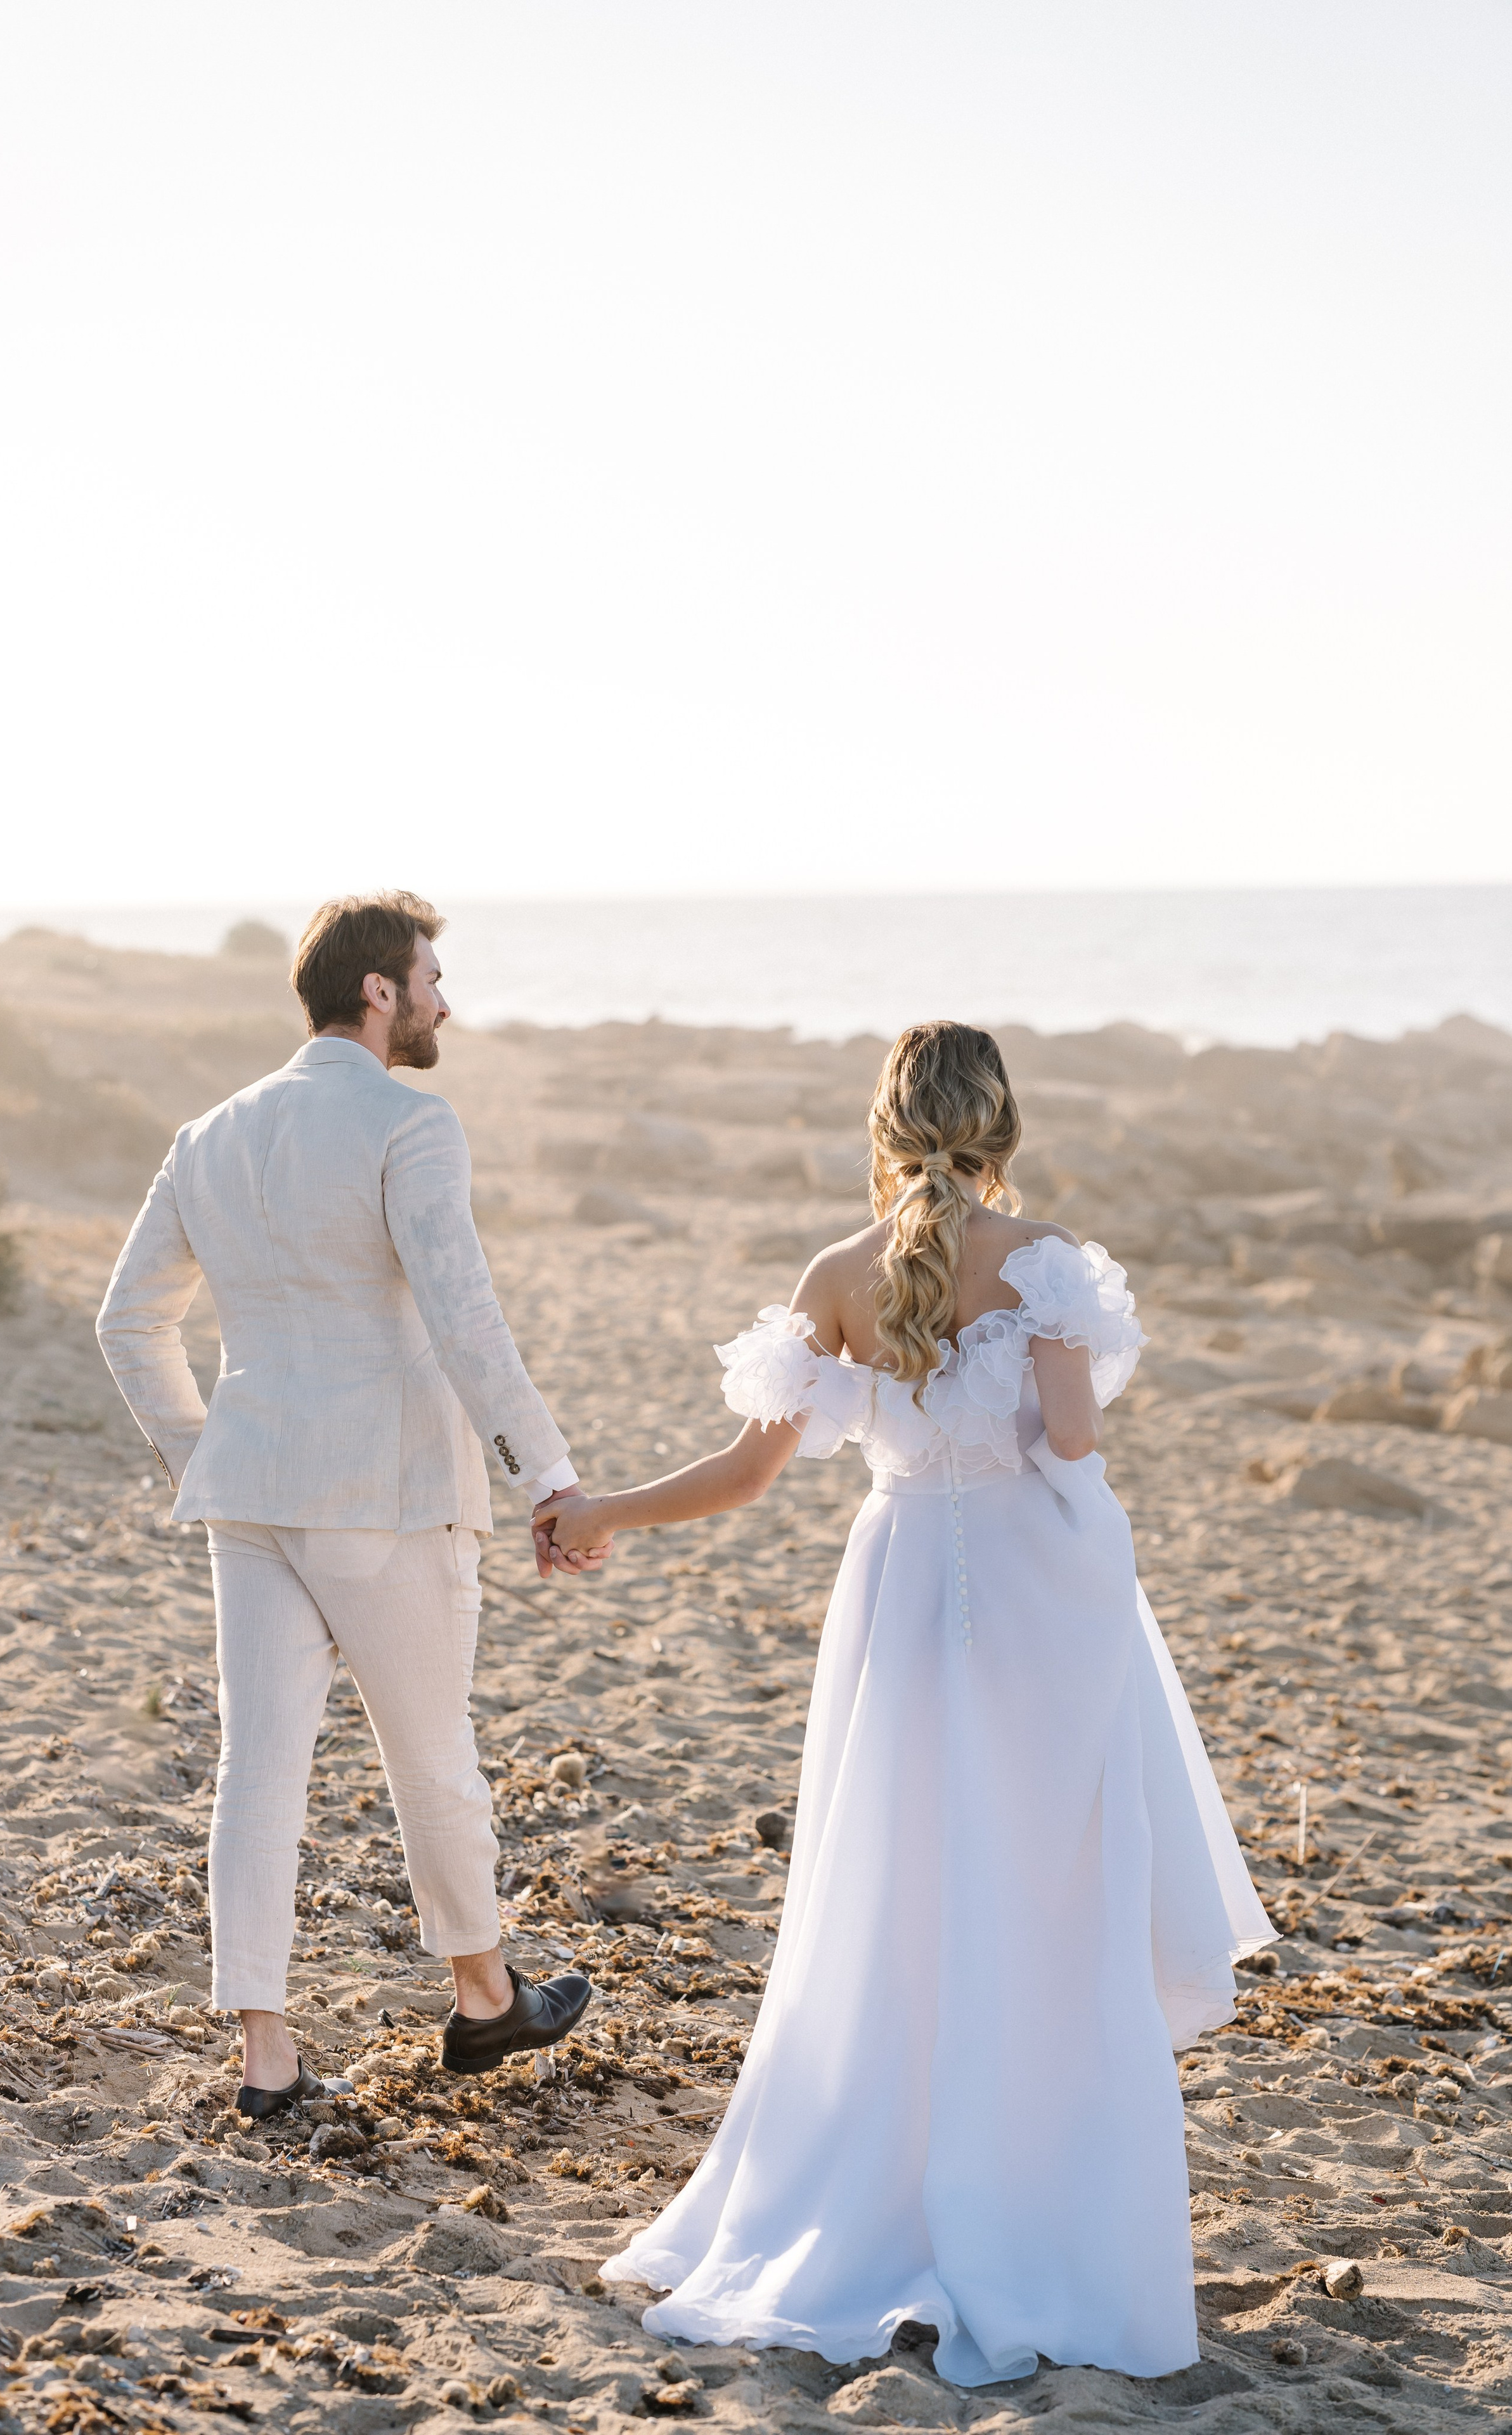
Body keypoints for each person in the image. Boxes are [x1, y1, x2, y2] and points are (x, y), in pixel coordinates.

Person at [535, 1019, 1274, 2389]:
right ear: (1002, 1130)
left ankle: (881, 2189)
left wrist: (603, 1513)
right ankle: (1033, 2203)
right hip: (1040, 1600)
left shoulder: (835, 1275)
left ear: (882, 1130)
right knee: (1044, 1898)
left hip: (899, 1598)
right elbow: (1072, 1441)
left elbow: (743, 1475)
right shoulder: (1043, 1260)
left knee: (897, 1886)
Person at [96, 891, 602, 2115]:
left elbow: (128, 1322)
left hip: (252, 1492)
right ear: (379, 990)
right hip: (389, 1494)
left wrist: (205, 1454)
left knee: (257, 1771)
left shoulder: (208, 1134)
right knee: (432, 1758)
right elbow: (463, 1316)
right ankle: (484, 1997)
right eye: (430, 979)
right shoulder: (408, 1121)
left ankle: (266, 2058)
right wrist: (549, 1475)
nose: (444, 1004)